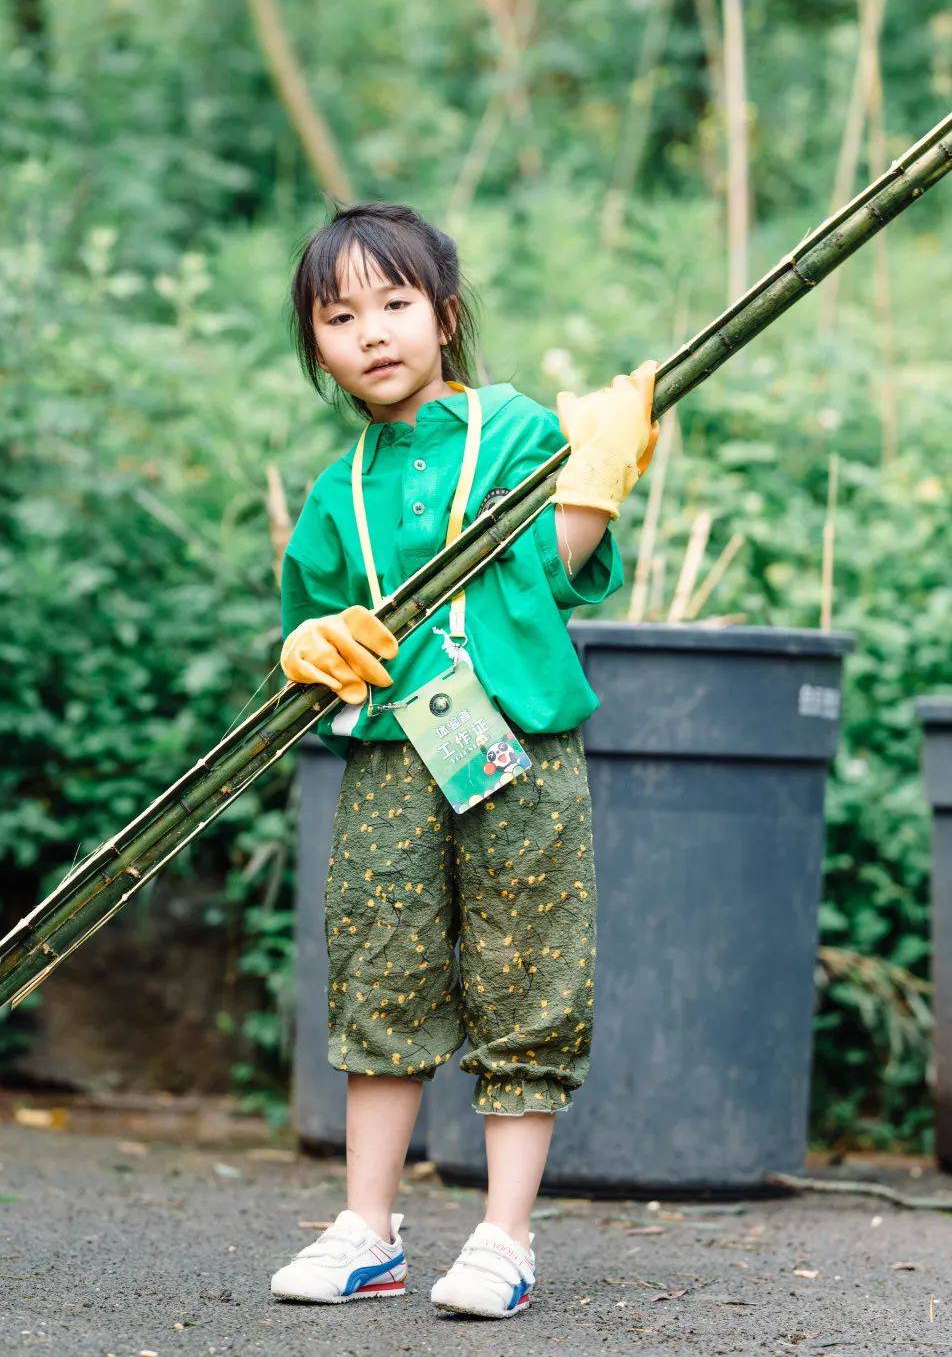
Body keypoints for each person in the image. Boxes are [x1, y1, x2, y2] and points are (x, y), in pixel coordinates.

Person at [270, 199, 658, 1316]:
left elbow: (557, 563)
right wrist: (305, 642)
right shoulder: (338, 489)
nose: (372, 332)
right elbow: (307, 634)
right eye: (339, 315)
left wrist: (593, 476)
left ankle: (502, 1235)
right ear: (318, 345)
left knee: (526, 972)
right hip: (396, 755)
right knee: (381, 969)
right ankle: (366, 1228)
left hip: (518, 749)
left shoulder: (517, 428)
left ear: (443, 314)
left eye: (395, 303)